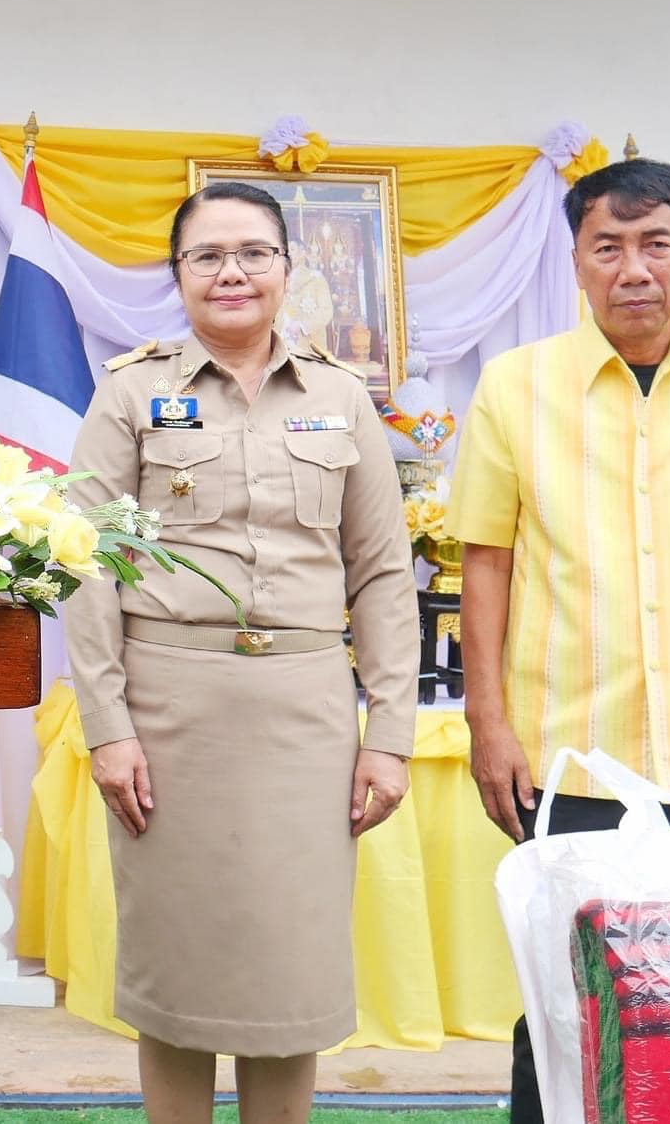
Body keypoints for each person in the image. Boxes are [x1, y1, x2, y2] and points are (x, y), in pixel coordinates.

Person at [446, 158, 670, 1124]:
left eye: (656, 244)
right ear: (576, 262)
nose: (633, 268)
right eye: (608, 246)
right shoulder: (515, 387)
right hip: (574, 763)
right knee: (563, 1003)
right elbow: (487, 562)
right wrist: (490, 721)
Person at [65, 181, 417, 1124]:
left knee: (288, 975)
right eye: (206, 255)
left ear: (287, 270)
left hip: (304, 716)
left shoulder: (342, 398)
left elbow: (383, 573)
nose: (232, 271)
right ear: (177, 274)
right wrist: (108, 726)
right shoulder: (131, 391)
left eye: (253, 252)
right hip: (170, 714)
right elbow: (85, 564)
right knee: (177, 970)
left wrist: (389, 733)